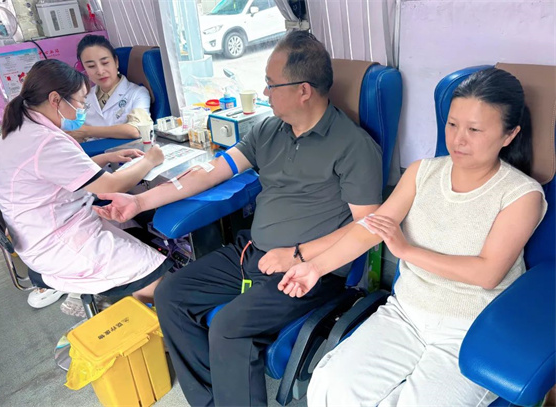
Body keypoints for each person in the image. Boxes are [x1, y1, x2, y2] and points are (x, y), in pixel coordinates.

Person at [95, 31, 383, 406]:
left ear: (303, 91)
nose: (265, 92)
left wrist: (296, 254)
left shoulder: (353, 146)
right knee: (171, 294)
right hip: (250, 253)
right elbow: (212, 172)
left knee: (229, 328)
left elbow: (367, 227)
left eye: (271, 84)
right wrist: (138, 202)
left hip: (309, 270)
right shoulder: (268, 130)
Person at [276, 68, 548, 406]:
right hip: (405, 314)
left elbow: (487, 273)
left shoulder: (521, 194)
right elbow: (372, 227)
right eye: (452, 124)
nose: (458, 140)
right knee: (331, 386)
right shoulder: (423, 172)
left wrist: (406, 250)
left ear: (509, 135)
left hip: (472, 330)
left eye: (475, 130)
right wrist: (315, 267)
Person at [0, 59, 171, 308]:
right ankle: (150, 319)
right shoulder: (44, 141)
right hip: (55, 242)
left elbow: (56, 172)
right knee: (152, 271)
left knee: (133, 228)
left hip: (40, 229)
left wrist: (105, 158)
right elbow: (111, 186)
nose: (82, 109)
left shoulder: (20, 127)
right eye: (79, 102)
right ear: (55, 99)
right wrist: (150, 159)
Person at [67, 34, 151, 142]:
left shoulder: (137, 93)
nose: (100, 71)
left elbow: (136, 130)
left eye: (105, 63)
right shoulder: (83, 97)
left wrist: (87, 131)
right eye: (91, 66)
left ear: (116, 62)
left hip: (130, 151)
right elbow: (73, 132)